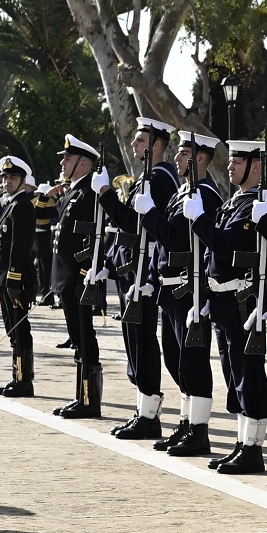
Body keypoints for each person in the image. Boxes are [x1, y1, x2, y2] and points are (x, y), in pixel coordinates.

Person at [198, 137, 267, 473]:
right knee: (234, 374)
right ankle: (242, 443)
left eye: (237, 161)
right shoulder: (235, 202)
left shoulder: (256, 204)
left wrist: (199, 221)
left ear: (255, 166)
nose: (230, 166)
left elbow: (227, 246)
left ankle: (253, 449)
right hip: (223, 301)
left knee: (249, 375)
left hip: (242, 302)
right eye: (229, 160)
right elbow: (212, 253)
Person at [104, 120, 180, 441]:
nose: (134, 144)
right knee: (136, 339)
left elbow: (137, 225)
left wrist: (107, 195)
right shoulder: (147, 178)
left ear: (157, 145)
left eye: (141, 139)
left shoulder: (160, 179)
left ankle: (149, 416)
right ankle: (143, 411)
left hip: (144, 273)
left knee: (143, 341)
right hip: (134, 270)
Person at [152, 131, 222, 457]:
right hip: (172, 289)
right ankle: (185, 422)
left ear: (202, 159)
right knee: (176, 359)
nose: (178, 159)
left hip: (190, 288)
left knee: (193, 362)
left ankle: (199, 430)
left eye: (185, 154)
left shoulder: (205, 195)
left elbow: (175, 238)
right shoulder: (183, 193)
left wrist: (149, 215)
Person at [50, 135, 105, 417]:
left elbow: (92, 240)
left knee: (85, 337)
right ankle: (80, 397)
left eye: (68, 159)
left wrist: (84, 276)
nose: (63, 162)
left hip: (78, 279)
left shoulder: (89, 194)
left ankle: (88, 401)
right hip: (67, 279)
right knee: (77, 338)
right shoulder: (73, 192)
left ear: (83, 163)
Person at [0, 156, 40, 397]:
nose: (8, 181)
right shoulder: (11, 205)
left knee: (20, 329)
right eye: (5, 177)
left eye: (13, 177)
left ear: (23, 181)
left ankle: (24, 381)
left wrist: (12, 279)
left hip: (17, 279)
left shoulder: (22, 205)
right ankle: (17, 377)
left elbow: (19, 247)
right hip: (6, 279)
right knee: (13, 331)